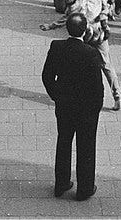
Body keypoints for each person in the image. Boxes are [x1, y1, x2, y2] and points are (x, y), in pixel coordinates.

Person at [42, 12, 106, 202]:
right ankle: (84, 188)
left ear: (67, 28)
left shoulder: (57, 47)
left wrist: (57, 97)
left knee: (63, 142)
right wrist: (96, 108)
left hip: (65, 105)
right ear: (85, 29)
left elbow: (47, 76)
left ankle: (61, 183)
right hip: (86, 109)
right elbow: (97, 87)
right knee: (86, 147)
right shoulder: (90, 52)